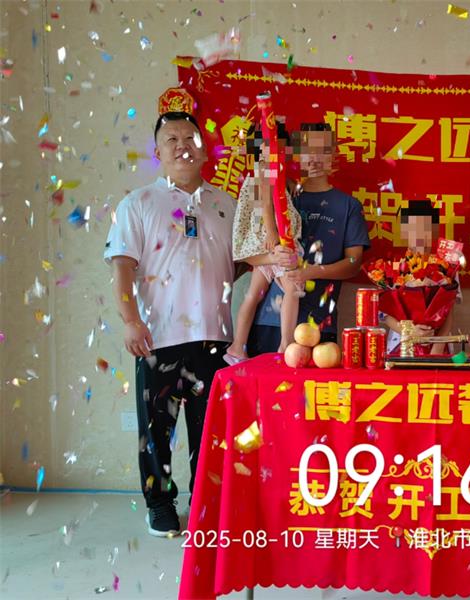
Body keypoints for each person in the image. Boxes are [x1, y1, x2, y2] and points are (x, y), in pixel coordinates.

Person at [104, 111, 236, 537]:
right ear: (158, 152)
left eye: (190, 139)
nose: (182, 146)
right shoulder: (138, 204)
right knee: (155, 430)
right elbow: (122, 267)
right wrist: (130, 321)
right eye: (172, 139)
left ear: (205, 150)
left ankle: (203, 504)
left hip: (215, 338)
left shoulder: (226, 204)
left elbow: (239, 265)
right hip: (158, 337)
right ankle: (160, 505)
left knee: (208, 430)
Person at [247, 122, 370, 354]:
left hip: (319, 323)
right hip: (269, 321)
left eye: (322, 151)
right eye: (307, 151)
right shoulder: (276, 195)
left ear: (334, 155)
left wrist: (312, 272)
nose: (314, 158)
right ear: (294, 154)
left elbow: (354, 263)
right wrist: (273, 256)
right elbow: (247, 253)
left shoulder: (348, 205)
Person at [225, 123, 303, 363]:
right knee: (292, 289)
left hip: (264, 244)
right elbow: (265, 205)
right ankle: (286, 343)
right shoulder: (265, 173)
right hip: (273, 240)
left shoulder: (267, 173)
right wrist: (272, 235)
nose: (278, 155)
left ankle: (237, 346)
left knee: (253, 294)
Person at [380, 200, 459, 355]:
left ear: (434, 229)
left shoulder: (447, 266)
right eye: (413, 228)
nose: (419, 234)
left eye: (425, 227)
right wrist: (409, 331)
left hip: (438, 345)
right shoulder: (393, 267)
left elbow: (449, 310)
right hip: (401, 345)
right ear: (404, 231)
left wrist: (437, 348)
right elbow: (383, 313)